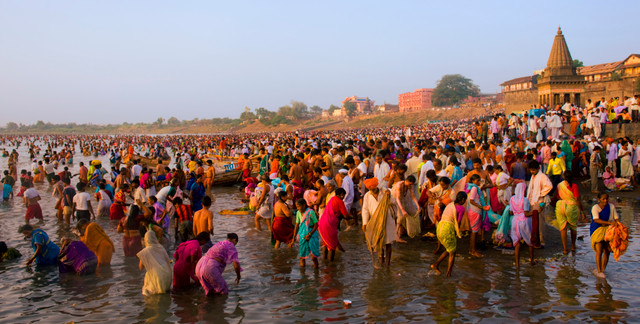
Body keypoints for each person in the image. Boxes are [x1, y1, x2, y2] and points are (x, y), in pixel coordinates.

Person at [362, 177, 397, 267]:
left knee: (388, 242)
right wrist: (364, 223)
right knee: (378, 242)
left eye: (372, 188)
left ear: (376, 186)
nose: (371, 190)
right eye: (369, 189)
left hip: (387, 219)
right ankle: (381, 260)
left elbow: (394, 202)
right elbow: (365, 209)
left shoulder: (385, 191)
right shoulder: (367, 195)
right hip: (375, 221)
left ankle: (387, 263)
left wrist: (388, 196)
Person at [431, 191, 466, 277]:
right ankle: (448, 274)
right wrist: (457, 232)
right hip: (447, 229)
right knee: (452, 252)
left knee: (450, 249)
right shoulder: (461, 208)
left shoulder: (450, 205)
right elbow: (459, 222)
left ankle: (436, 265)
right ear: (463, 200)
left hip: (440, 227)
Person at [590, 193, 619, 278]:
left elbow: (616, 218)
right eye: (603, 199)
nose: (605, 200)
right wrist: (610, 223)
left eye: (606, 199)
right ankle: (599, 271)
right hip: (597, 230)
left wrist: (618, 225)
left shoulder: (611, 207)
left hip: (608, 230)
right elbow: (596, 220)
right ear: (599, 199)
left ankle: (603, 270)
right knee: (599, 250)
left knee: (607, 251)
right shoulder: (595, 208)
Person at [555, 172, 585, 254]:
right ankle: (573, 246)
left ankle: (565, 249)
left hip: (560, 206)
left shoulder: (559, 185)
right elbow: (577, 199)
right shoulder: (574, 186)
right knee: (573, 227)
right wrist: (582, 211)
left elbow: (557, 197)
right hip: (571, 207)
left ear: (563, 177)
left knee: (563, 228)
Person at [137, 230, 172, 295]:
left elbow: (140, 267)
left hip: (157, 278)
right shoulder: (161, 247)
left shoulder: (145, 251)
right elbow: (168, 261)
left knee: (146, 290)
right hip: (168, 275)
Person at [318, 188, 348, 261]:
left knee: (325, 243)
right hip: (329, 224)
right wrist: (351, 218)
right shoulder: (340, 202)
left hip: (321, 222)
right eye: (344, 195)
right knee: (332, 245)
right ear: (341, 195)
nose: (344, 197)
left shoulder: (332, 199)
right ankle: (331, 265)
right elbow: (346, 215)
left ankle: (324, 261)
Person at [292, 198, 320, 268]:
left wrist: (309, 234)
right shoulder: (298, 213)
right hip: (302, 235)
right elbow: (297, 225)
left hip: (312, 235)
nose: (297, 208)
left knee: (314, 257)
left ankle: (316, 274)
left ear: (304, 205)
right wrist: (293, 238)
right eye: (297, 206)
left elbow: (316, 225)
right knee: (302, 256)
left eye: (299, 206)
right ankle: (302, 275)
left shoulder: (311, 212)